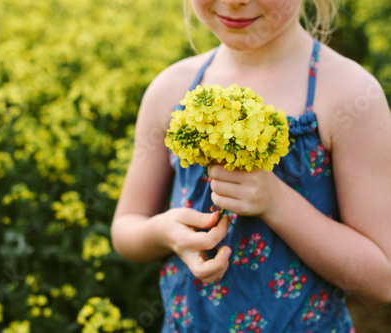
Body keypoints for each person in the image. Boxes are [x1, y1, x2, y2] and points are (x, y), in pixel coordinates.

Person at [111, 0, 391, 331]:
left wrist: (277, 203)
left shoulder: (350, 95)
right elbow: (125, 228)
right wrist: (164, 232)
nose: (234, 1)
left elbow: (382, 282)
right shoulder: (172, 89)